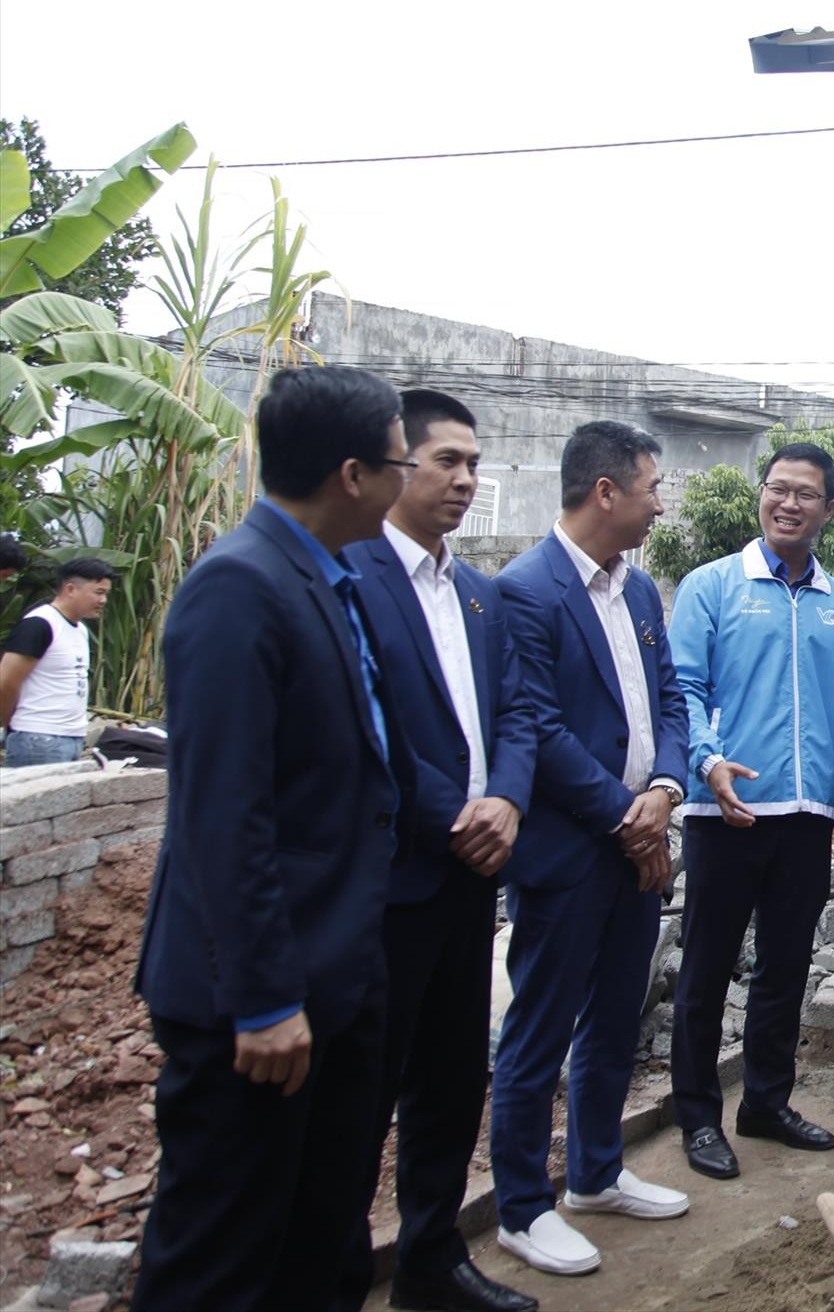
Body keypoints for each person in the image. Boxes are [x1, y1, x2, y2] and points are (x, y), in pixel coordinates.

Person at [134, 365, 416, 1312]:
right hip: (256, 1001)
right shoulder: (238, 589)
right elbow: (223, 815)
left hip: (332, 973)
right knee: (222, 1254)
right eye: (400, 462)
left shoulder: (326, 578)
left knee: (320, 1234)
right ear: (352, 474)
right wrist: (261, 1000)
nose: (410, 480)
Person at [339, 391, 539, 1312]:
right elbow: (364, 732)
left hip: (471, 882)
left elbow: (518, 716)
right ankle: (340, 1275)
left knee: (452, 1081)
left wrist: (503, 797)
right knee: (358, 1098)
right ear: (392, 465)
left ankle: (431, 1259)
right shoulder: (349, 579)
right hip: (387, 885)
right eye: (445, 461)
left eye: (472, 464)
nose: (464, 480)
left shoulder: (476, 592)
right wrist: (457, 814)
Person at [667, 442, 834, 1173]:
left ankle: (766, 1103)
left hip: (807, 813)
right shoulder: (711, 587)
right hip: (726, 812)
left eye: (806, 494)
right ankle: (697, 1117)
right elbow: (683, 691)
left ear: (829, 509)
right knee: (706, 968)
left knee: (785, 967)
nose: (789, 503)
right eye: (778, 489)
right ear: (761, 496)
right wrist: (708, 763)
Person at [490, 422, 691, 1277]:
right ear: (605, 491)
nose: (659, 504)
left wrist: (666, 791)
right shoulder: (523, 592)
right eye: (651, 488)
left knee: (616, 1014)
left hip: (638, 843)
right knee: (538, 1030)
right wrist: (626, 815)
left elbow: (672, 702)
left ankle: (597, 1174)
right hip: (570, 853)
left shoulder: (640, 592)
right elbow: (535, 725)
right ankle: (520, 1210)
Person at [0, 556, 115, 768]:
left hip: (72, 738)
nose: (103, 601)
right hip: (38, 739)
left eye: (106, 594)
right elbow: (6, 682)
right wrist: (7, 725)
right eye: (98, 592)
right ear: (70, 589)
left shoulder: (80, 630)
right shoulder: (40, 624)